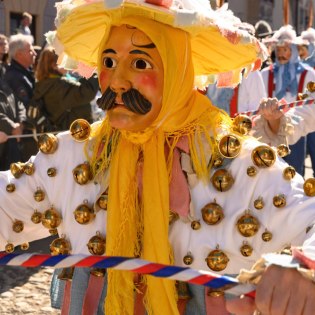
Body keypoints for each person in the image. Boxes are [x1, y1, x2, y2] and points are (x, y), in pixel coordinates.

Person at [1, 1, 315, 315]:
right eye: (109, 61)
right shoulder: (72, 157)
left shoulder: (238, 165)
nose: (118, 81)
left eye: (140, 64)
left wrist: (304, 270)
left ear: (178, 69)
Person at [261, 25, 315, 176]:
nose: (281, 54)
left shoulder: (308, 74)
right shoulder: (266, 74)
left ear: (294, 50)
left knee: (294, 174)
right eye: (278, 50)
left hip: (295, 132)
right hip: (269, 133)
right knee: (270, 176)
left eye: (285, 50)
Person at [30, 46, 99, 132]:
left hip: (64, 133)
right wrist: (89, 70)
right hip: (71, 135)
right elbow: (87, 92)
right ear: (54, 65)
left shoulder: (46, 83)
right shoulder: (58, 85)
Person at [4, 33, 37, 161]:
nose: (34, 53)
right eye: (30, 50)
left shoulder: (24, 73)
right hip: (23, 137)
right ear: (18, 54)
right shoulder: (15, 77)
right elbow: (26, 106)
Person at [0, 78, 25, 170]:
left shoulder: (3, 81)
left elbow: (18, 103)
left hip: (13, 147)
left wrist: (20, 123)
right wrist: (11, 126)